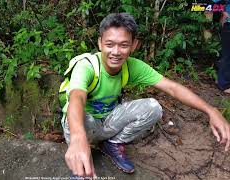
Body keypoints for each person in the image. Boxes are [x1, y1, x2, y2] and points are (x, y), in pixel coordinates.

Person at [60, 13, 230, 178]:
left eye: (124, 45)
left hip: (108, 120)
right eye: (110, 44)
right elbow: (76, 97)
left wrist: (211, 110)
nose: (116, 52)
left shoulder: (132, 66)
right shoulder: (87, 66)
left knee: (153, 107)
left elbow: (172, 88)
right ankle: (81, 165)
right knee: (76, 115)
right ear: (100, 43)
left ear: (134, 45)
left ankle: (112, 144)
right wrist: (78, 137)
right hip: (84, 125)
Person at [213, 0, 230, 93]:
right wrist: (224, 13)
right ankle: (224, 85)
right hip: (228, 25)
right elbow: (214, 2)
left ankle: (221, 79)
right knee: (227, 55)